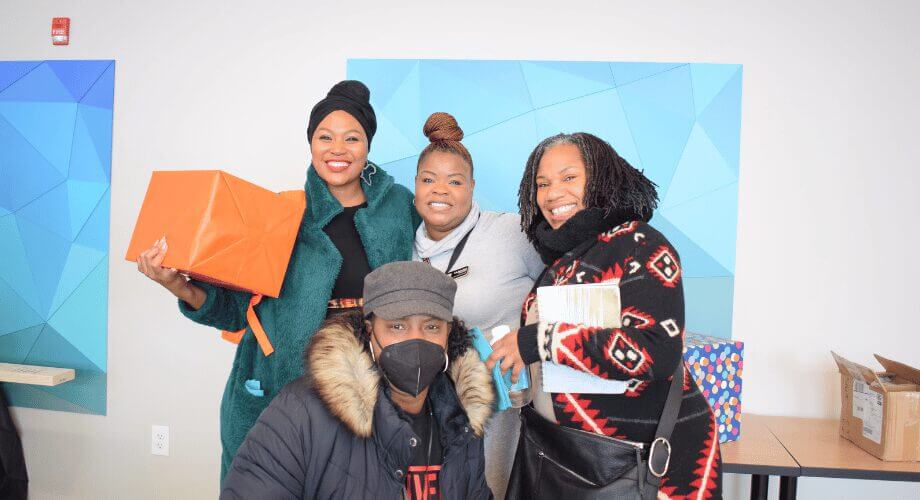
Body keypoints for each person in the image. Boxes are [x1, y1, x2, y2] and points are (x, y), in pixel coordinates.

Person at [135, 80, 418, 479]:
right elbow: (234, 311)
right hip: (279, 388)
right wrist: (176, 284)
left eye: (352, 138)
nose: (337, 149)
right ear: (311, 143)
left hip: (370, 392)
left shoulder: (400, 208)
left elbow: (439, 260)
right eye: (325, 137)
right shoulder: (281, 213)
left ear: (367, 146)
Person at [487, 133, 722, 498]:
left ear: (601, 179)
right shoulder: (560, 264)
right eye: (542, 184)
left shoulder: (639, 243)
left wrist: (538, 340)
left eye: (568, 177)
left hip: (637, 470)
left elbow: (658, 351)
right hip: (566, 461)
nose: (552, 193)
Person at [221, 261, 495, 499]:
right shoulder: (299, 412)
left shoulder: (462, 422)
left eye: (432, 326)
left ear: (449, 333)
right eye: (397, 326)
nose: (416, 339)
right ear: (369, 331)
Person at [411, 112, 543, 498]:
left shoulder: (510, 233)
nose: (441, 190)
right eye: (429, 180)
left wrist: (531, 339)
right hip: (435, 414)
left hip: (508, 410)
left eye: (455, 181)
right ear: (415, 186)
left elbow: (566, 281)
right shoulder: (402, 247)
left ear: (472, 187)